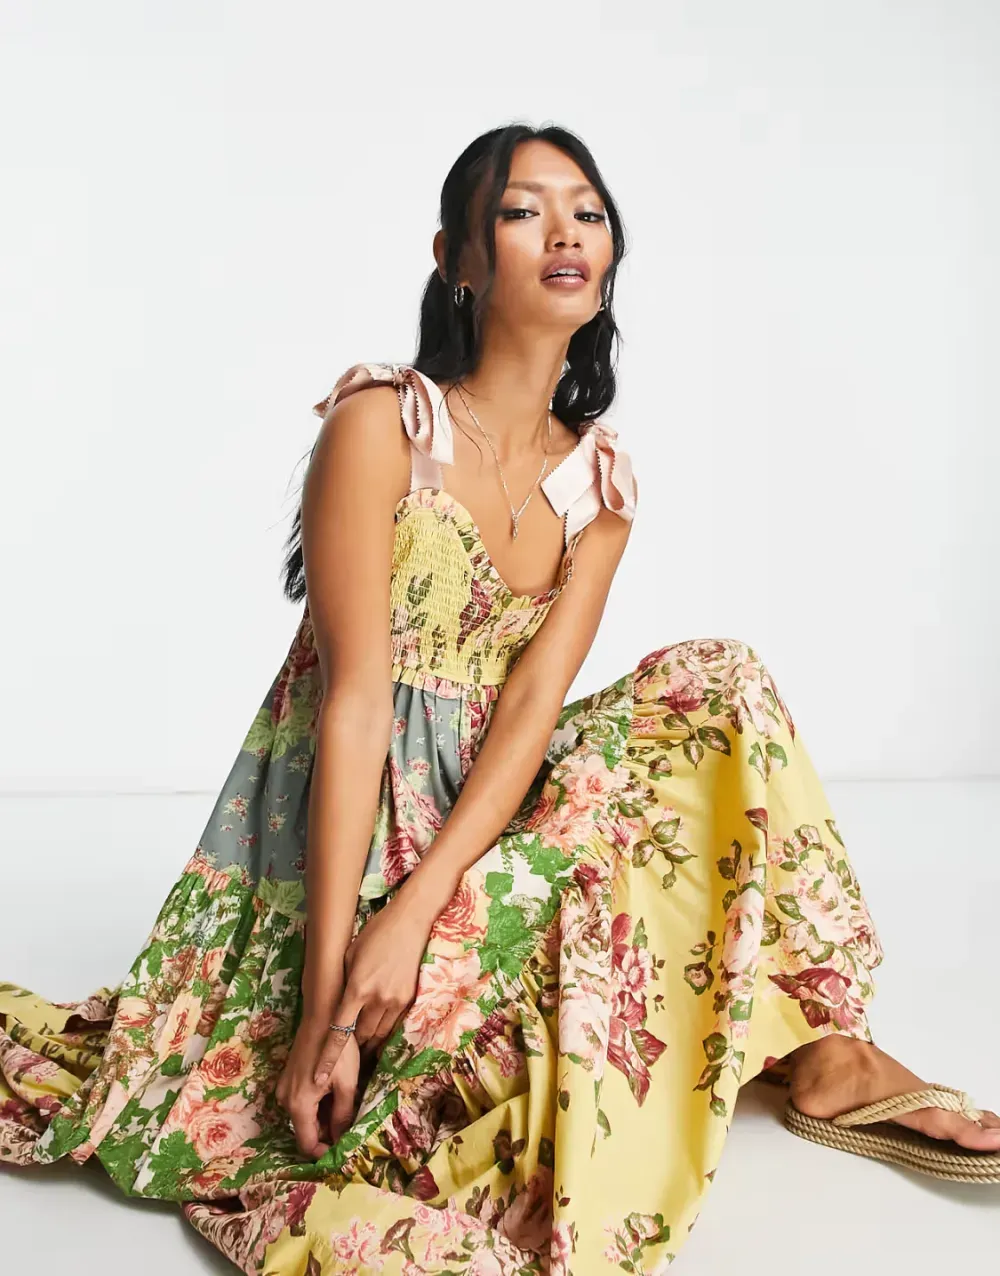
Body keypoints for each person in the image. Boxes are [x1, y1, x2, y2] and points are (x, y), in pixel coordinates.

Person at [2, 122, 997, 1276]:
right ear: (459, 260)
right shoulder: (383, 425)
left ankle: (824, 1049)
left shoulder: (601, 484)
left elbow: (529, 716)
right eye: (524, 210)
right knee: (458, 1124)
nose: (565, 231)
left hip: (488, 838)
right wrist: (330, 1000)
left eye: (587, 211)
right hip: (356, 848)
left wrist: (422, 913)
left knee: (719, 681)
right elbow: (353, 706)